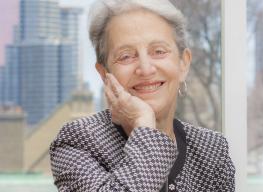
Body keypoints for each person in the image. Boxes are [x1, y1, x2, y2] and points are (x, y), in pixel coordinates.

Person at [49, 0, 235, 191]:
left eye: (159, 51)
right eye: (126, 56)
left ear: (183, 63)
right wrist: (144, 126)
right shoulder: (77, 142)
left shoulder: (212, 151)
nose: (145, 69)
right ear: (105, 74)